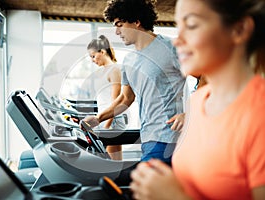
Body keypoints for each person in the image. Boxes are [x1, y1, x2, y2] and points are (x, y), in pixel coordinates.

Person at [130, 0, 265, 199]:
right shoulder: (198, 101)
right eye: (178, 26)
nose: (177, 40)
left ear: (239, 29)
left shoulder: (259, 115)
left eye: (191, 25)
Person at [82, 0, 186, 167]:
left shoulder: (171, 47)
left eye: (120, 25)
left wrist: (190, 114)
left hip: (170, 137)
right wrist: (97, 118)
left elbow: (206, 77)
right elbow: (125, 99)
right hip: (147, 137)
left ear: (136, 22)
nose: (116, 32)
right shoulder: (129, 60)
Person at [87, 35, 126, 160]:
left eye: (93, 56)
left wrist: (106, 127)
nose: (92, 60)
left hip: (112, 120)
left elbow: (116, 102)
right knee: (111, 160)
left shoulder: (115, 70)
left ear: (102, 52)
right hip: (106, 118)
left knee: (112, 161)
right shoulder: (105, 70)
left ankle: (118, 179)